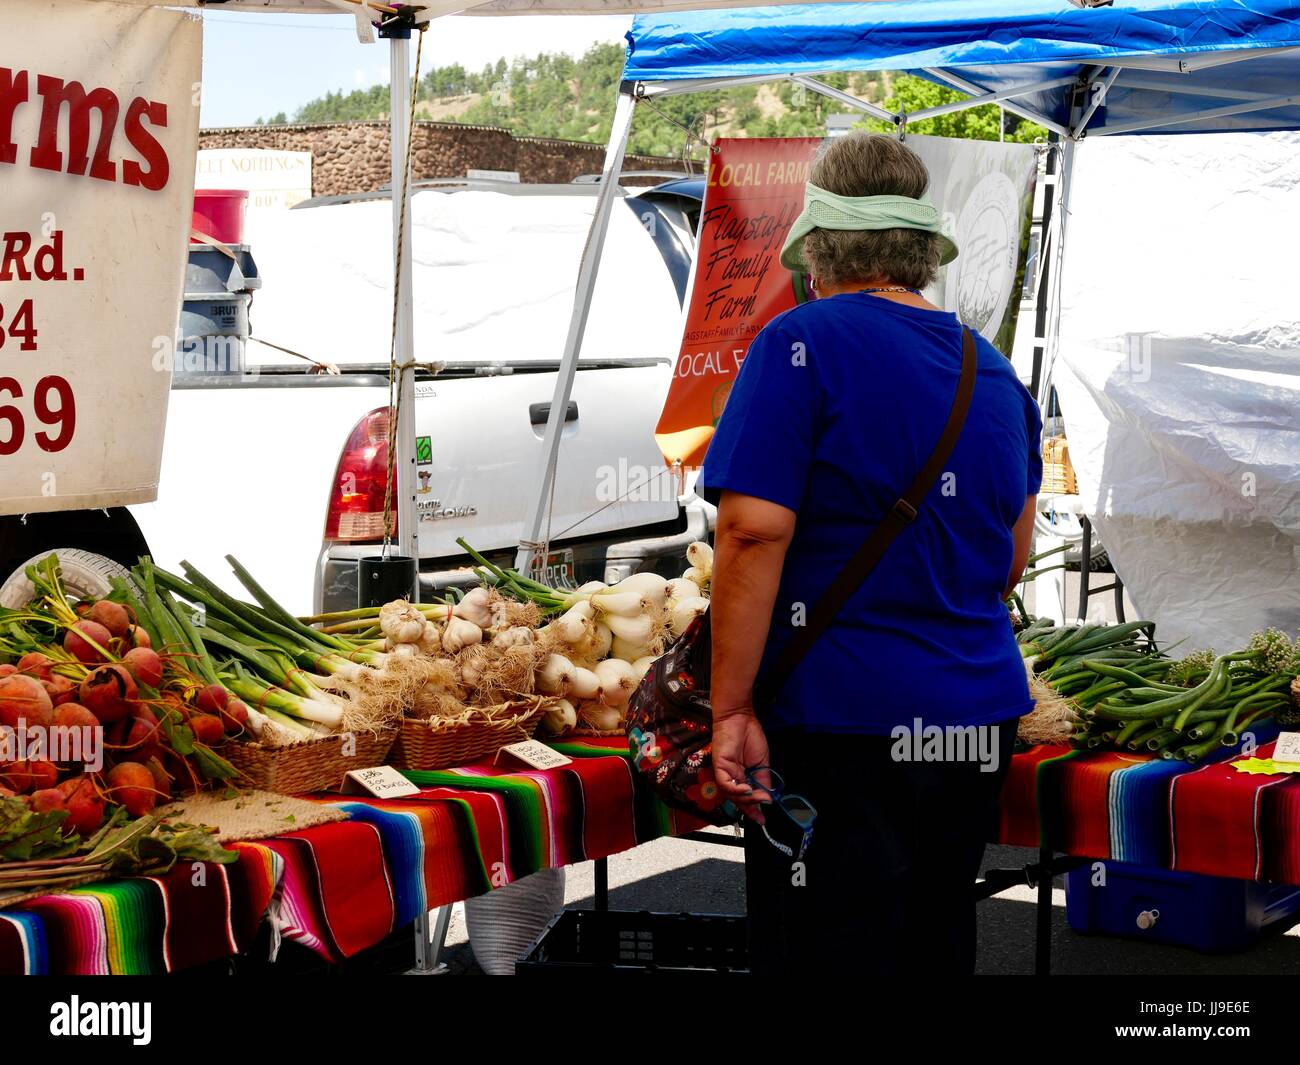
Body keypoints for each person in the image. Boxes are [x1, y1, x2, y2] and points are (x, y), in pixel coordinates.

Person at [700, 131, 1042, 975]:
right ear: (925, 254)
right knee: (932, 944)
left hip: (840, 724)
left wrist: (732, 709)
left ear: (817, 253)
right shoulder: (993, 371)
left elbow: (750, 531)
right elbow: (1010, 560)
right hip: (971, 725)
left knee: (829, 951)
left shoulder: (798, 342)